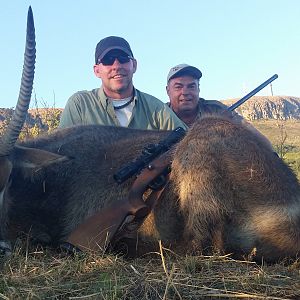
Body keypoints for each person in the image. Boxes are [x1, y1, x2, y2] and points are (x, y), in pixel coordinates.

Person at [59, 36, 186, 131]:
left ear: (134, 65)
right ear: (97, 70)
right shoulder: (79, 105)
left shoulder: (157, 109)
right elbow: (61, 154)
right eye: (108, 60)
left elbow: (187, 141)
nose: (117, 66)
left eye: (123, 58)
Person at [166, 63, 274, 150]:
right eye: (178, 87)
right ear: (167, 90)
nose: (185, 92)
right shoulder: (157, 114)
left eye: (191, 86)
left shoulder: (216, 109)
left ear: (198, 89)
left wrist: (273, 156)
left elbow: (250, 131)